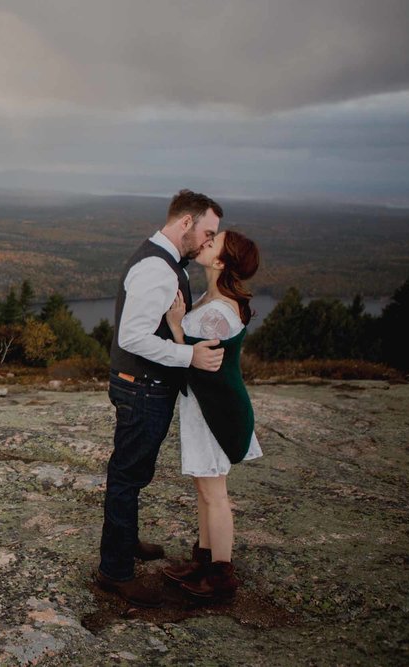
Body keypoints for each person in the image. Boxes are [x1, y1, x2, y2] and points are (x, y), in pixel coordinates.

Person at [93, 189, 224, 608]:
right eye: (207, 231)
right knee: (128, 476)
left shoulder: (164, 259)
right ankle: (115, 573)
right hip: (142, 387)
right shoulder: (157, 267)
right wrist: (190, 355)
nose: (208, 242)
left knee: (134, 472)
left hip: (143, 385)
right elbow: (132, 336)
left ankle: (126, 542)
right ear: (186, 223)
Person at [161, 229, 261, 603]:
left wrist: (175, 325)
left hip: (215, 412)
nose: (205, 241)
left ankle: (220, 575)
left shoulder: (217, 312)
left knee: (215, 493)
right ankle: (203, 560)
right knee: (204, 488)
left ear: (221, 261)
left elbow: (199, 366)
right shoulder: (215, 299)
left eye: (213, 242)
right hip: (208, 407)